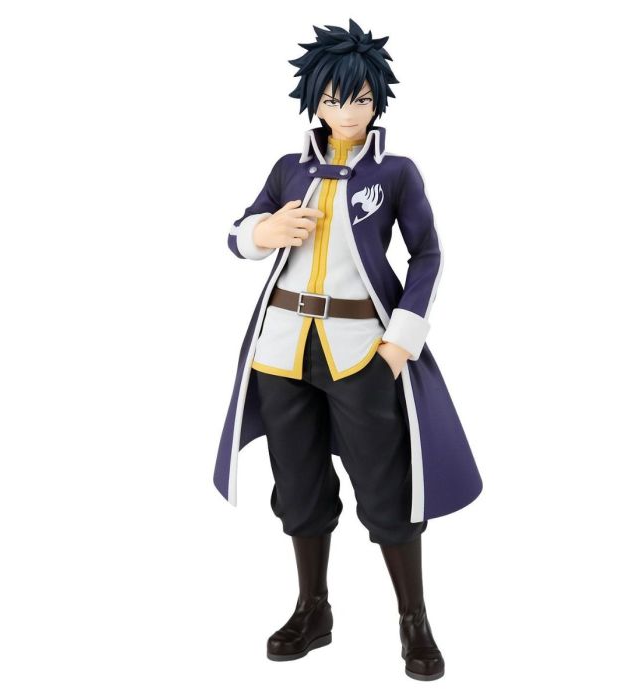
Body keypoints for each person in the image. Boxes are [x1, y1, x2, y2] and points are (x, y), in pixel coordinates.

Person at [215, 18, 483, 681]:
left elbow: (427, 253)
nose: (349, 111)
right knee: (297, 482)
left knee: (387, 486)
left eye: (361, 98)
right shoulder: (288, 169)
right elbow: (238, 233)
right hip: (282, 349)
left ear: (377, 101)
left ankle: (413, 618)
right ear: (315, 101)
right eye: (335, 98)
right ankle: (313, 608)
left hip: (361, 350)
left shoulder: (395, 172)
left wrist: (400, 343)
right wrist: (264, 231)